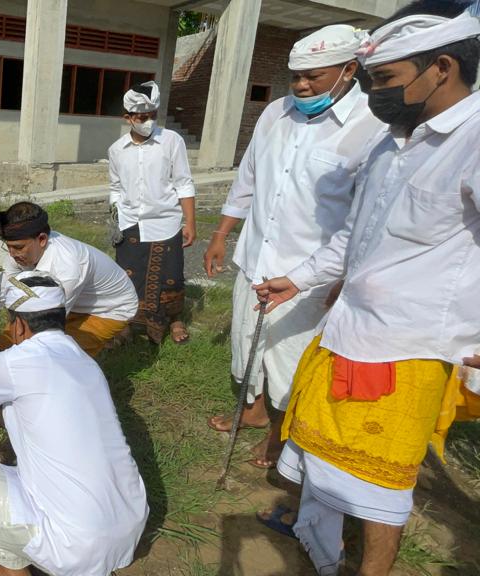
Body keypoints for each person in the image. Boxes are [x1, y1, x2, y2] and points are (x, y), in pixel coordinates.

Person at [255, 3, 480, 574]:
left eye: (385, 80)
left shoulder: (473, 141)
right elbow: (356, 236)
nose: (374, 93)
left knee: (379, 483)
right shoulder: (390, 143)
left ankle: (369, 568)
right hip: (346, 329)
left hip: (407, 351)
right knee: (321, 456)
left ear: (442, 68)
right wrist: (300, 279)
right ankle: (318, 542)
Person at [203, 25, 385, 472]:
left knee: (290, 357)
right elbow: (248, 175)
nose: (302, 85)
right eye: (296, 76)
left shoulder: (373, 126)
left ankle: (280, 434)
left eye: (314, 76)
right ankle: (254, 408)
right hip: (255, 259)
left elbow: (368, 219)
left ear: (349, 69)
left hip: (309, 274)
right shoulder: (277, 114)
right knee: (246, 342)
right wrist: (222, 233)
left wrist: (345, 277)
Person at [0, 272, 148, 576]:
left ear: (18, 325)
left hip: (77, 546)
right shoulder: (85, 361)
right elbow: (46, 419)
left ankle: (9, 570)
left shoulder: (16, 360)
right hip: (129, 524)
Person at [0, 202, 139, 357]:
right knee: (7, 347)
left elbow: (47, 325)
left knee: (60, 357)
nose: (12, 254)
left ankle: (117, 332)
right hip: (72, 301)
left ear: (42, 239)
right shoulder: (18, 255)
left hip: (109, 308)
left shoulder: (67, 266)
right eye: (8, 247)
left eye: (18, 247)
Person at [109, 80, 196, 345]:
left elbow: (183, 182)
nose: (148, 122)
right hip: (130, 223)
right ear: (128, 118)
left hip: (166, 222)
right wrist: (115, 218)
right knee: (129, 274)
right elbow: (115, 186)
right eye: (142, 117)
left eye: (152, 116)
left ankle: (174, 319)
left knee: (171, 274)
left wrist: (190, 221)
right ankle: (127, 322)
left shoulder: (171, 141)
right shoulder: (116, 150)